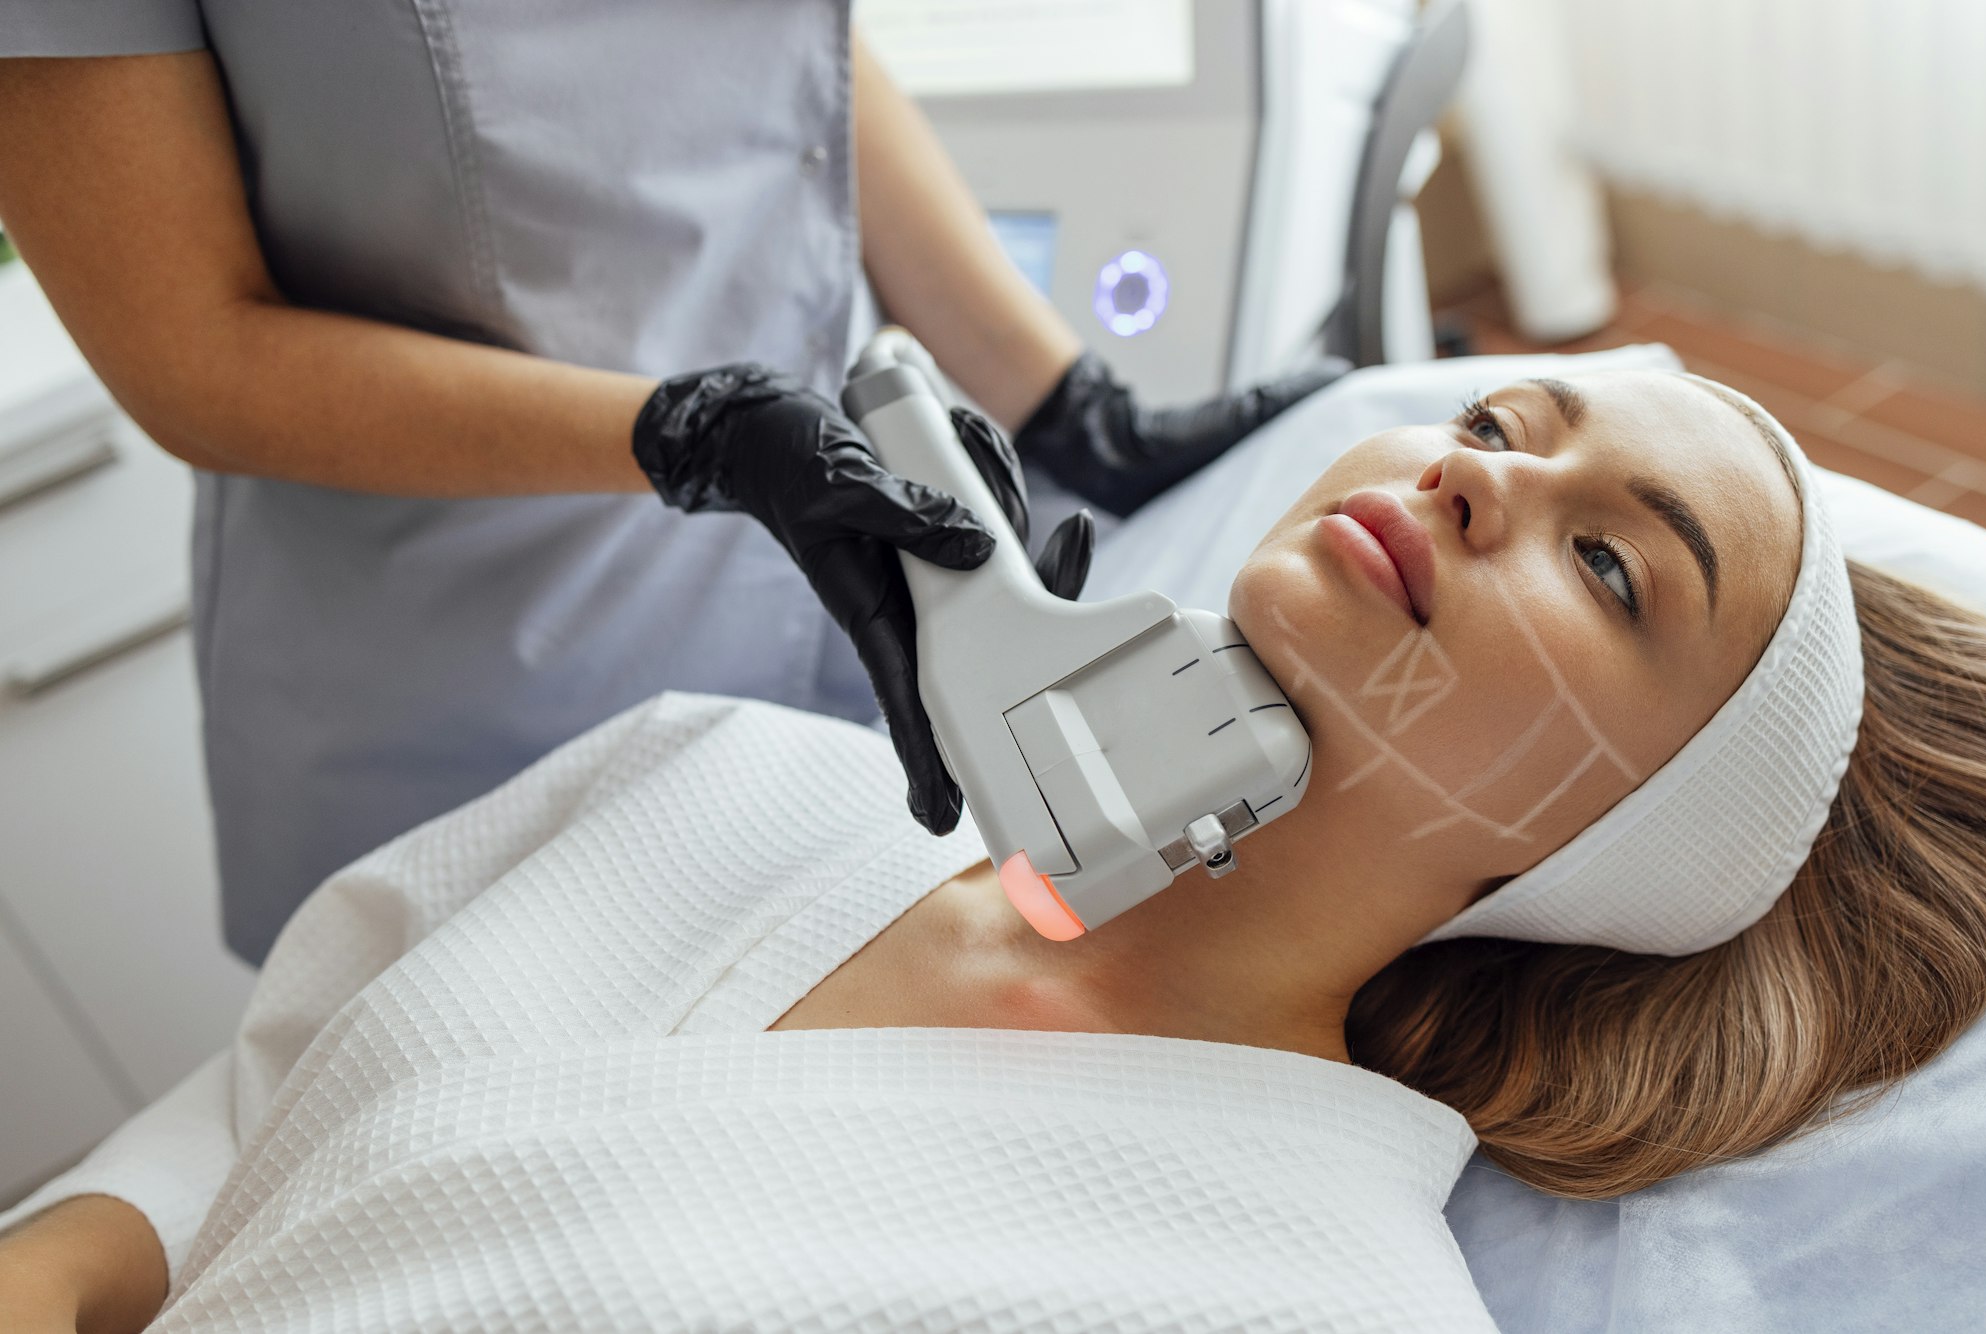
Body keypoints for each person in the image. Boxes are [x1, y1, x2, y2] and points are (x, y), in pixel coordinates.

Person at [5, 369, 1986, 1330]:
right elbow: (218, 1139)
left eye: (1605, 557)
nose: (1478, 474)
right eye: (1498, 417)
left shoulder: (1315, 1304)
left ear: (1623, 845)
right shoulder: (726, 778)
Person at [0, 11, 1343, 965]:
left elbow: (783, 57)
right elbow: (193, 353)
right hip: (477, 676)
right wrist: (693, 435)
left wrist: (1063, 403)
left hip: (828, 576)